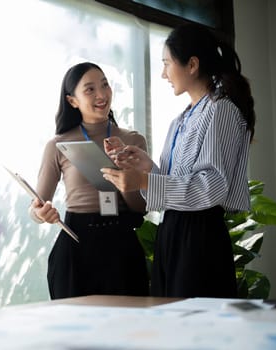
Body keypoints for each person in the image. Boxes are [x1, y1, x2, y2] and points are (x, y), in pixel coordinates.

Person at [101, 23, 256, 298]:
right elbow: (179, 182)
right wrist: (145, 166)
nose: (163, 74)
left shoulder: (222, 111)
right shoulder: (181, 119)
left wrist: (144, 180)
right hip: (171, 231)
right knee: (171, 322)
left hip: (200, 237)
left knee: (195, 329)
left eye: (166, 63)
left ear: (192, 64)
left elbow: (212, 186)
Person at [29, 62, 150, 299]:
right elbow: (37, 207)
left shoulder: (133, 140)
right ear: (72, 101)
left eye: (105, 85)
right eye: (90, 89)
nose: (102, 94)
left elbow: (141, 206)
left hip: (121, 246)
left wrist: (125, 173)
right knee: (76, 332)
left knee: (127, 329)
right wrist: (41, 214)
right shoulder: (57, 145)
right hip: (75, 247)